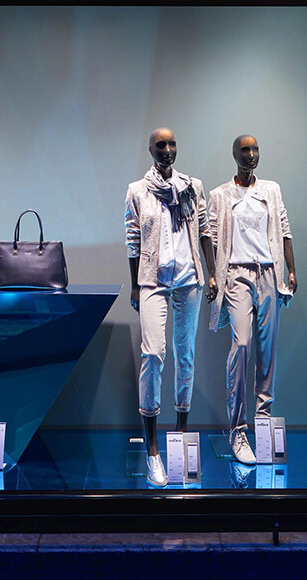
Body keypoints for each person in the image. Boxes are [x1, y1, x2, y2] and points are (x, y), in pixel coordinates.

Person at [125, 127, 216, 487]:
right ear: (150, 149)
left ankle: (179, 436)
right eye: (160, 144)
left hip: (189, 278)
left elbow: (205, 230)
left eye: (171, 144)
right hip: (153, 279)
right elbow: (133, 239)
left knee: (186, 354)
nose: (167, 149)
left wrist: (211, 274)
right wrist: (135, 285)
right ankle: (152, 448)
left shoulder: (192, 186)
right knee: (153, 354)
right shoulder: (137, 191)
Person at [207, 134, 296, 465]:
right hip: (236, 274)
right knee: (242, 343)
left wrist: (292, 270)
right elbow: (211, 239)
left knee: (267, 350)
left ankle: (263, 422)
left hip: (269, 273)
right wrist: (212, 275)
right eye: (245, 150)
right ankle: (238, 429)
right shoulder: (220, 195)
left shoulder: (271, 190)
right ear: (235, 155)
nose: (251, 154)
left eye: (255, 149)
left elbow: (284, 230)